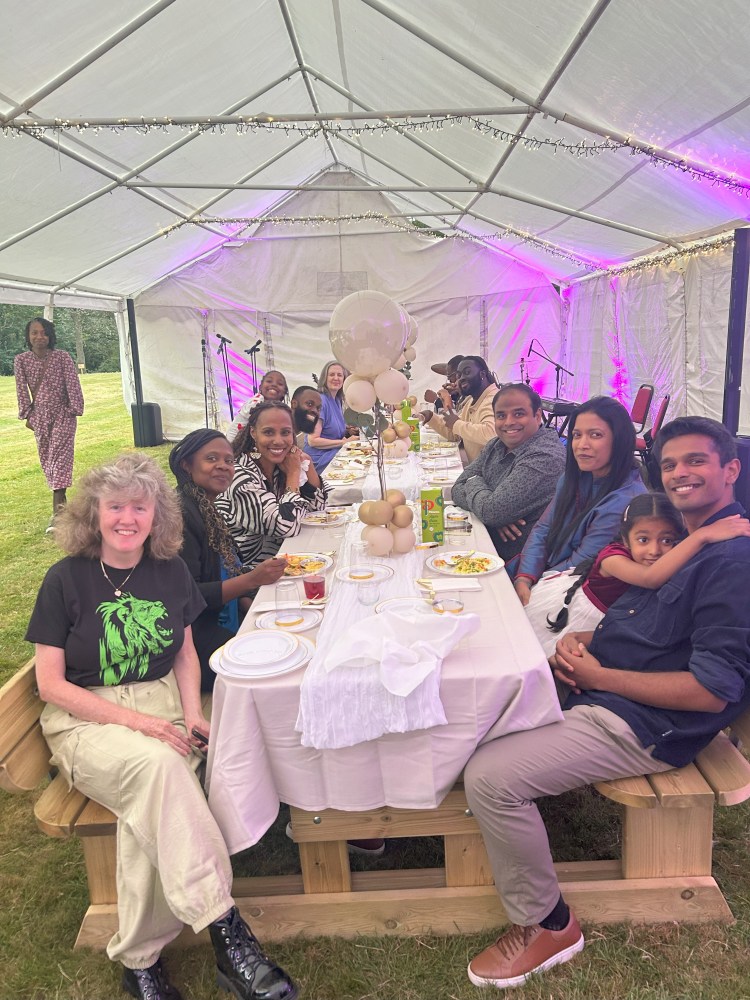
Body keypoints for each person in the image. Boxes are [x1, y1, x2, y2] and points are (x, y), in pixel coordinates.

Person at [462, 416, 750, 990]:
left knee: (491, 777)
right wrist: (587, 643)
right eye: (669, 464)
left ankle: (549, 925)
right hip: (599, 682)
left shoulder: (730, 561)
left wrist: (602, 675)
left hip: (647, 723)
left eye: (696, 461)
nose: (679, 473)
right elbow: (655, 627)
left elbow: (712, 689)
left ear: (731, 470)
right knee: (469, 698)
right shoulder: (685, 537)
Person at [26, 452, 297, 1000]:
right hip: (86, 716)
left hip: (165, 704)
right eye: (115, 507)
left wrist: (194, 713)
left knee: (161, 788)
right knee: (159, 768)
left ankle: (140, 961)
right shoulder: (65, 579)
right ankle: (227, 932)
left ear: (157, 515)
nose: (128, 518)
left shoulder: (168, 570)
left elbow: (184, 653)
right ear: (93, 514)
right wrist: (136, 723)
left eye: (140, 507)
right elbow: (52, 686)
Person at [527, 491, 750, 658]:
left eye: (667, 540)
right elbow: (650, 578)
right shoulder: (612, 557)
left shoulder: (672, 557)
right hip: (583, 617)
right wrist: (703, 535)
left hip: (617, 622)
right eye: (643, 539)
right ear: (625, 539)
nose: (654, 551)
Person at [170, 429, 287, 692]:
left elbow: (226, 572)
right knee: (274, 670)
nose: (223, 466)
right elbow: (189, 597)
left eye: (228, 460)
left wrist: (255, 611)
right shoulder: (180, 516)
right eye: (211, 459)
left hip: (224, 615)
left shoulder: (206, 507)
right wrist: (252, 581)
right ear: (187, 464)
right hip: (193, 638)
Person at [513, 396, 647, 601]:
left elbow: (581, 563)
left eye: (595, 435)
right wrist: (524, 577)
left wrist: (534, 585)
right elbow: (543, 529)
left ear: (619, 440)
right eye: (576, 435)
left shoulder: (626, 500)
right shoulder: (575, 477)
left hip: (573, 591)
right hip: (545, 576)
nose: (581, 444)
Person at [451, 384, 565, 566]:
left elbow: (492, 511)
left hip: (518, 566)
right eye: (501, 415)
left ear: (537, 416)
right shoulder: (496, 444)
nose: (509, 422)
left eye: (519, 414)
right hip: (487, 546)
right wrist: (494, 515)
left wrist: (491, 509)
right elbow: (457, 488)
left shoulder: (545, 455)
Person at [216, 401, 328, 571]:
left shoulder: (278, 468)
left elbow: (318, 509)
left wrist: (308, 464)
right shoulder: (240, 476)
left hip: (283, 561)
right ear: (253, 433)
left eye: (285, 433)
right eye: (268, 432)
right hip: (249, 576)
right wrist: (293, 474)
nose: (278, 441)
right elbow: (285, 527)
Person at [14, 317, 85, 522]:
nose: (39, 337)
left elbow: (73, 384)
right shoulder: (21, 360)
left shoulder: (62, 357)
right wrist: (28, 415)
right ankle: (62, 503)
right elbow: (21, 390)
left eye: (44, 332)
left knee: (60, 458)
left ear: (50, 335)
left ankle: (58, 513)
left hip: (63, 414)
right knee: (48, 460)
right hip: (40, 417)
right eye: (35, 333)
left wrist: (74, 409)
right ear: (28, 336)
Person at [418, 355, 497, 463]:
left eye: (467, 372)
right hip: (475, 470)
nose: (461, 378)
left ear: (482, 374)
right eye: (458, 375)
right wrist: (430, 416)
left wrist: (456, 424)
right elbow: (454, 433)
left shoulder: (494, 399)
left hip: (488, 475)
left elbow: (490, 434)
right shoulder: (472, 400)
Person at [305, 361, 354, 473]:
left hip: (333, 452)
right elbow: (313, 440)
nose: (336, 378)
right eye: (331, 374)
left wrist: (348, 429)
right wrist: (343, 442)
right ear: (324, 378)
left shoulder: (337, 400)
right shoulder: (320, 401)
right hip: (320, 459)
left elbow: (328, 424)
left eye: (339, 375)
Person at [226, 369, 288, 442]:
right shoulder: (256, 402)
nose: (274, 385)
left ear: (284, 392)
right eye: (269, 381)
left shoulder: (278, 408)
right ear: (260, 387)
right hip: (234, 443)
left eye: (279, 384)